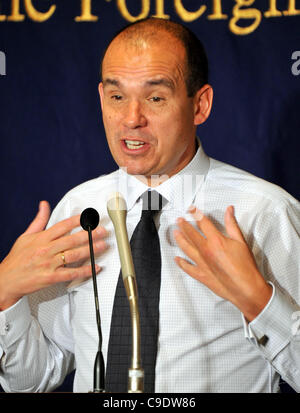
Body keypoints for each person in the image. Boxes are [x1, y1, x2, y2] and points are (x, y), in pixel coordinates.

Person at [0, 17, 299, 393]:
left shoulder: (262, 212)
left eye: (155, 98)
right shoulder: (78, 211)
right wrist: (4, 295)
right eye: (117, 96)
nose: (131, 119)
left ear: (200, 105)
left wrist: (259, 303)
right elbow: (31, 381)